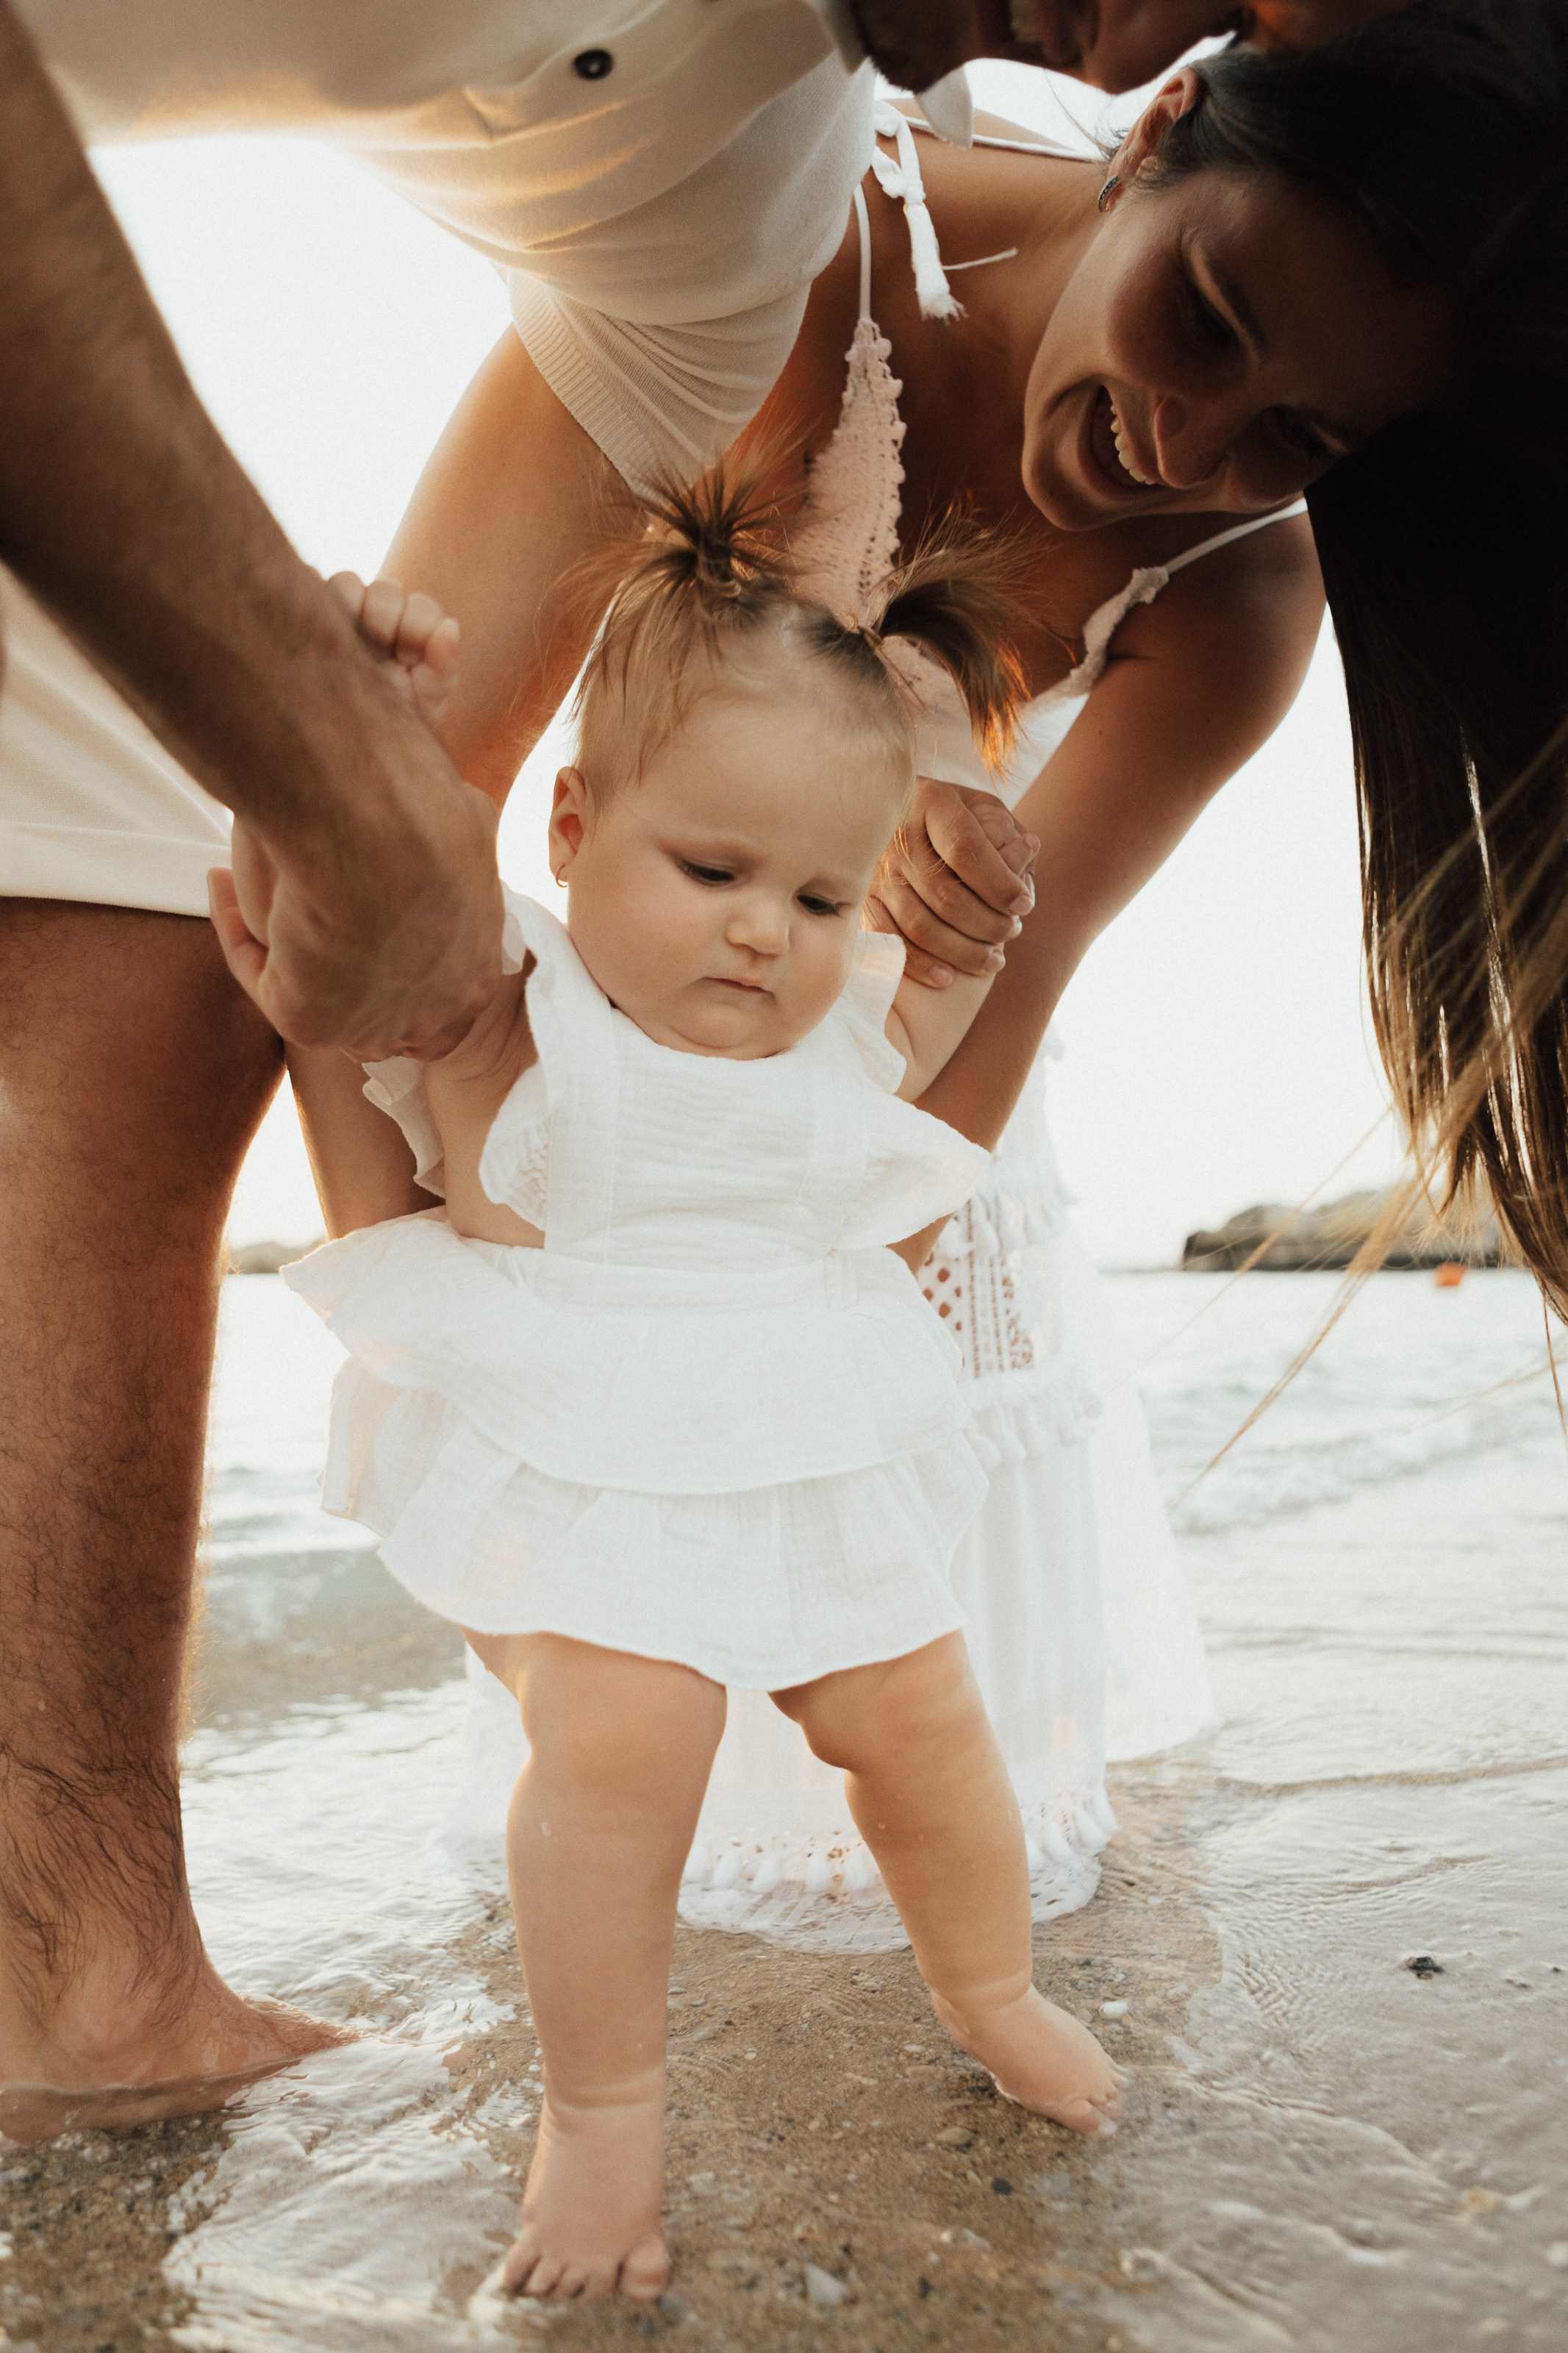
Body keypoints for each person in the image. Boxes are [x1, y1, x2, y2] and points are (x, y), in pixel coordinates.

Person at [0, 0, 1418, 2134]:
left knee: (921, 1755)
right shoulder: (748, 228)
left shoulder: (1229, 610)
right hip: (590, 1141)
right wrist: (521, 1297)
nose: (1182, 448)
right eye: (1197, 320)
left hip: (870, 1170)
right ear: (1147, 137)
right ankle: (562, 2068)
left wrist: (943, 956)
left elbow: (954, 1091)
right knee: (628, 1740)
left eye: (1287, 438)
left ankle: (961, 2007)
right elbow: (398, 828)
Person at [279, 475, 1123, 2304]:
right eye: (712, 872)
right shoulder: (514, 999)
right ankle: (600, 2111)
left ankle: (990, 1991)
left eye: (820, 890)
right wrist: (350, 715)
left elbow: (952, 977)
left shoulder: (848, 1026)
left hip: (800, 1422)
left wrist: (960, 900)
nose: (767, 930)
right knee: (617, 1740)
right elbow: (344, 904)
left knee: (920, 1715)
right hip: (570, 1430)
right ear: (574, 827)